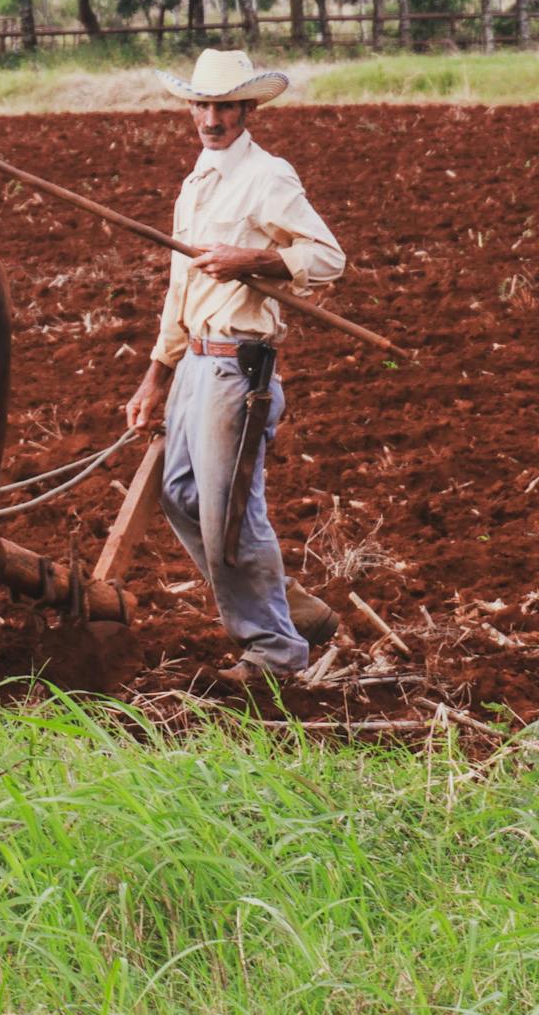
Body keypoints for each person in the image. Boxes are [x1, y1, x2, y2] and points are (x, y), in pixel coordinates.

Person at [124, 49, 346, 693]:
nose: (212, 117)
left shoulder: (268, 177)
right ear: (190, 108)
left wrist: (252, 257)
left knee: (228, 510)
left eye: (225, 106)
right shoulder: (195, 184)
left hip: (238, 370)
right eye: (203, 104)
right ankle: (282, 598)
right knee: (181, 495)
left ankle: (274, 648)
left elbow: (328, 258)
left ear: (248, 109)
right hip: (194, 360)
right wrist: (154, 378)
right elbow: (177, 290)